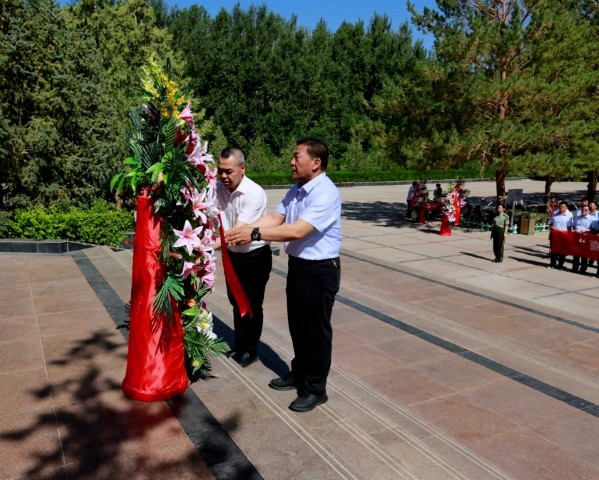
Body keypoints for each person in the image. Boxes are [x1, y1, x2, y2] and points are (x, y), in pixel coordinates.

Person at [225, 137, 341, 413]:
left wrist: (254, 234)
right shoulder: (297, 189)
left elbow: (297, 230)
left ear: (315, 162)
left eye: (297, 156)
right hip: (299, 267)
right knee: (298, 327)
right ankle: (299, 373)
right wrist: (245, 229)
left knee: (316, 332)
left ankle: (315, 389)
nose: (291, 161)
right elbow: (277, 218)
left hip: (320, 270)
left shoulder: (325, 192)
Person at [214, 147, 272, 368]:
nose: (223, 176)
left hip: (254, 256)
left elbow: (235, 234)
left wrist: (204, 247)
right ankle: (240, 344)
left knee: (252, 304)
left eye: (228, 171)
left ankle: (250, 349)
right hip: (233, 256)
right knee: (236, 302)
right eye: (220, 170)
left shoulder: (254, 193)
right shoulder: (218, 187)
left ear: (242, 168)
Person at [549, 200, 573, 270]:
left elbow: (569, 227)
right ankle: (552, 264)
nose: (561, 208)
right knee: (553, 250)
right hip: (554, 235)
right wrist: (551, 227)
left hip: (563, 236)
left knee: (562, 252)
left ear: (566, 207)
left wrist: (569, 237)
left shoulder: (569, 215)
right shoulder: (555, 214)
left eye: (563, 207)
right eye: (560, 206)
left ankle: (560, 265)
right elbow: (551, 223)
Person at [571, 203, 593, 274]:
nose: (583, 211)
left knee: (584, 255)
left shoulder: (591, 219)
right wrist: (572, 230)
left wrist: (586, 230)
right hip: (576, 238)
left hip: (585, 239)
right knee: (576, 254)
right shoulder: (577, 217)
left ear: (589, 211)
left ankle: (583, 269)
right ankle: (575, 268)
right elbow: (573, 226)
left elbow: (593, 229)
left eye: (585, 210)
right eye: (582, 209)